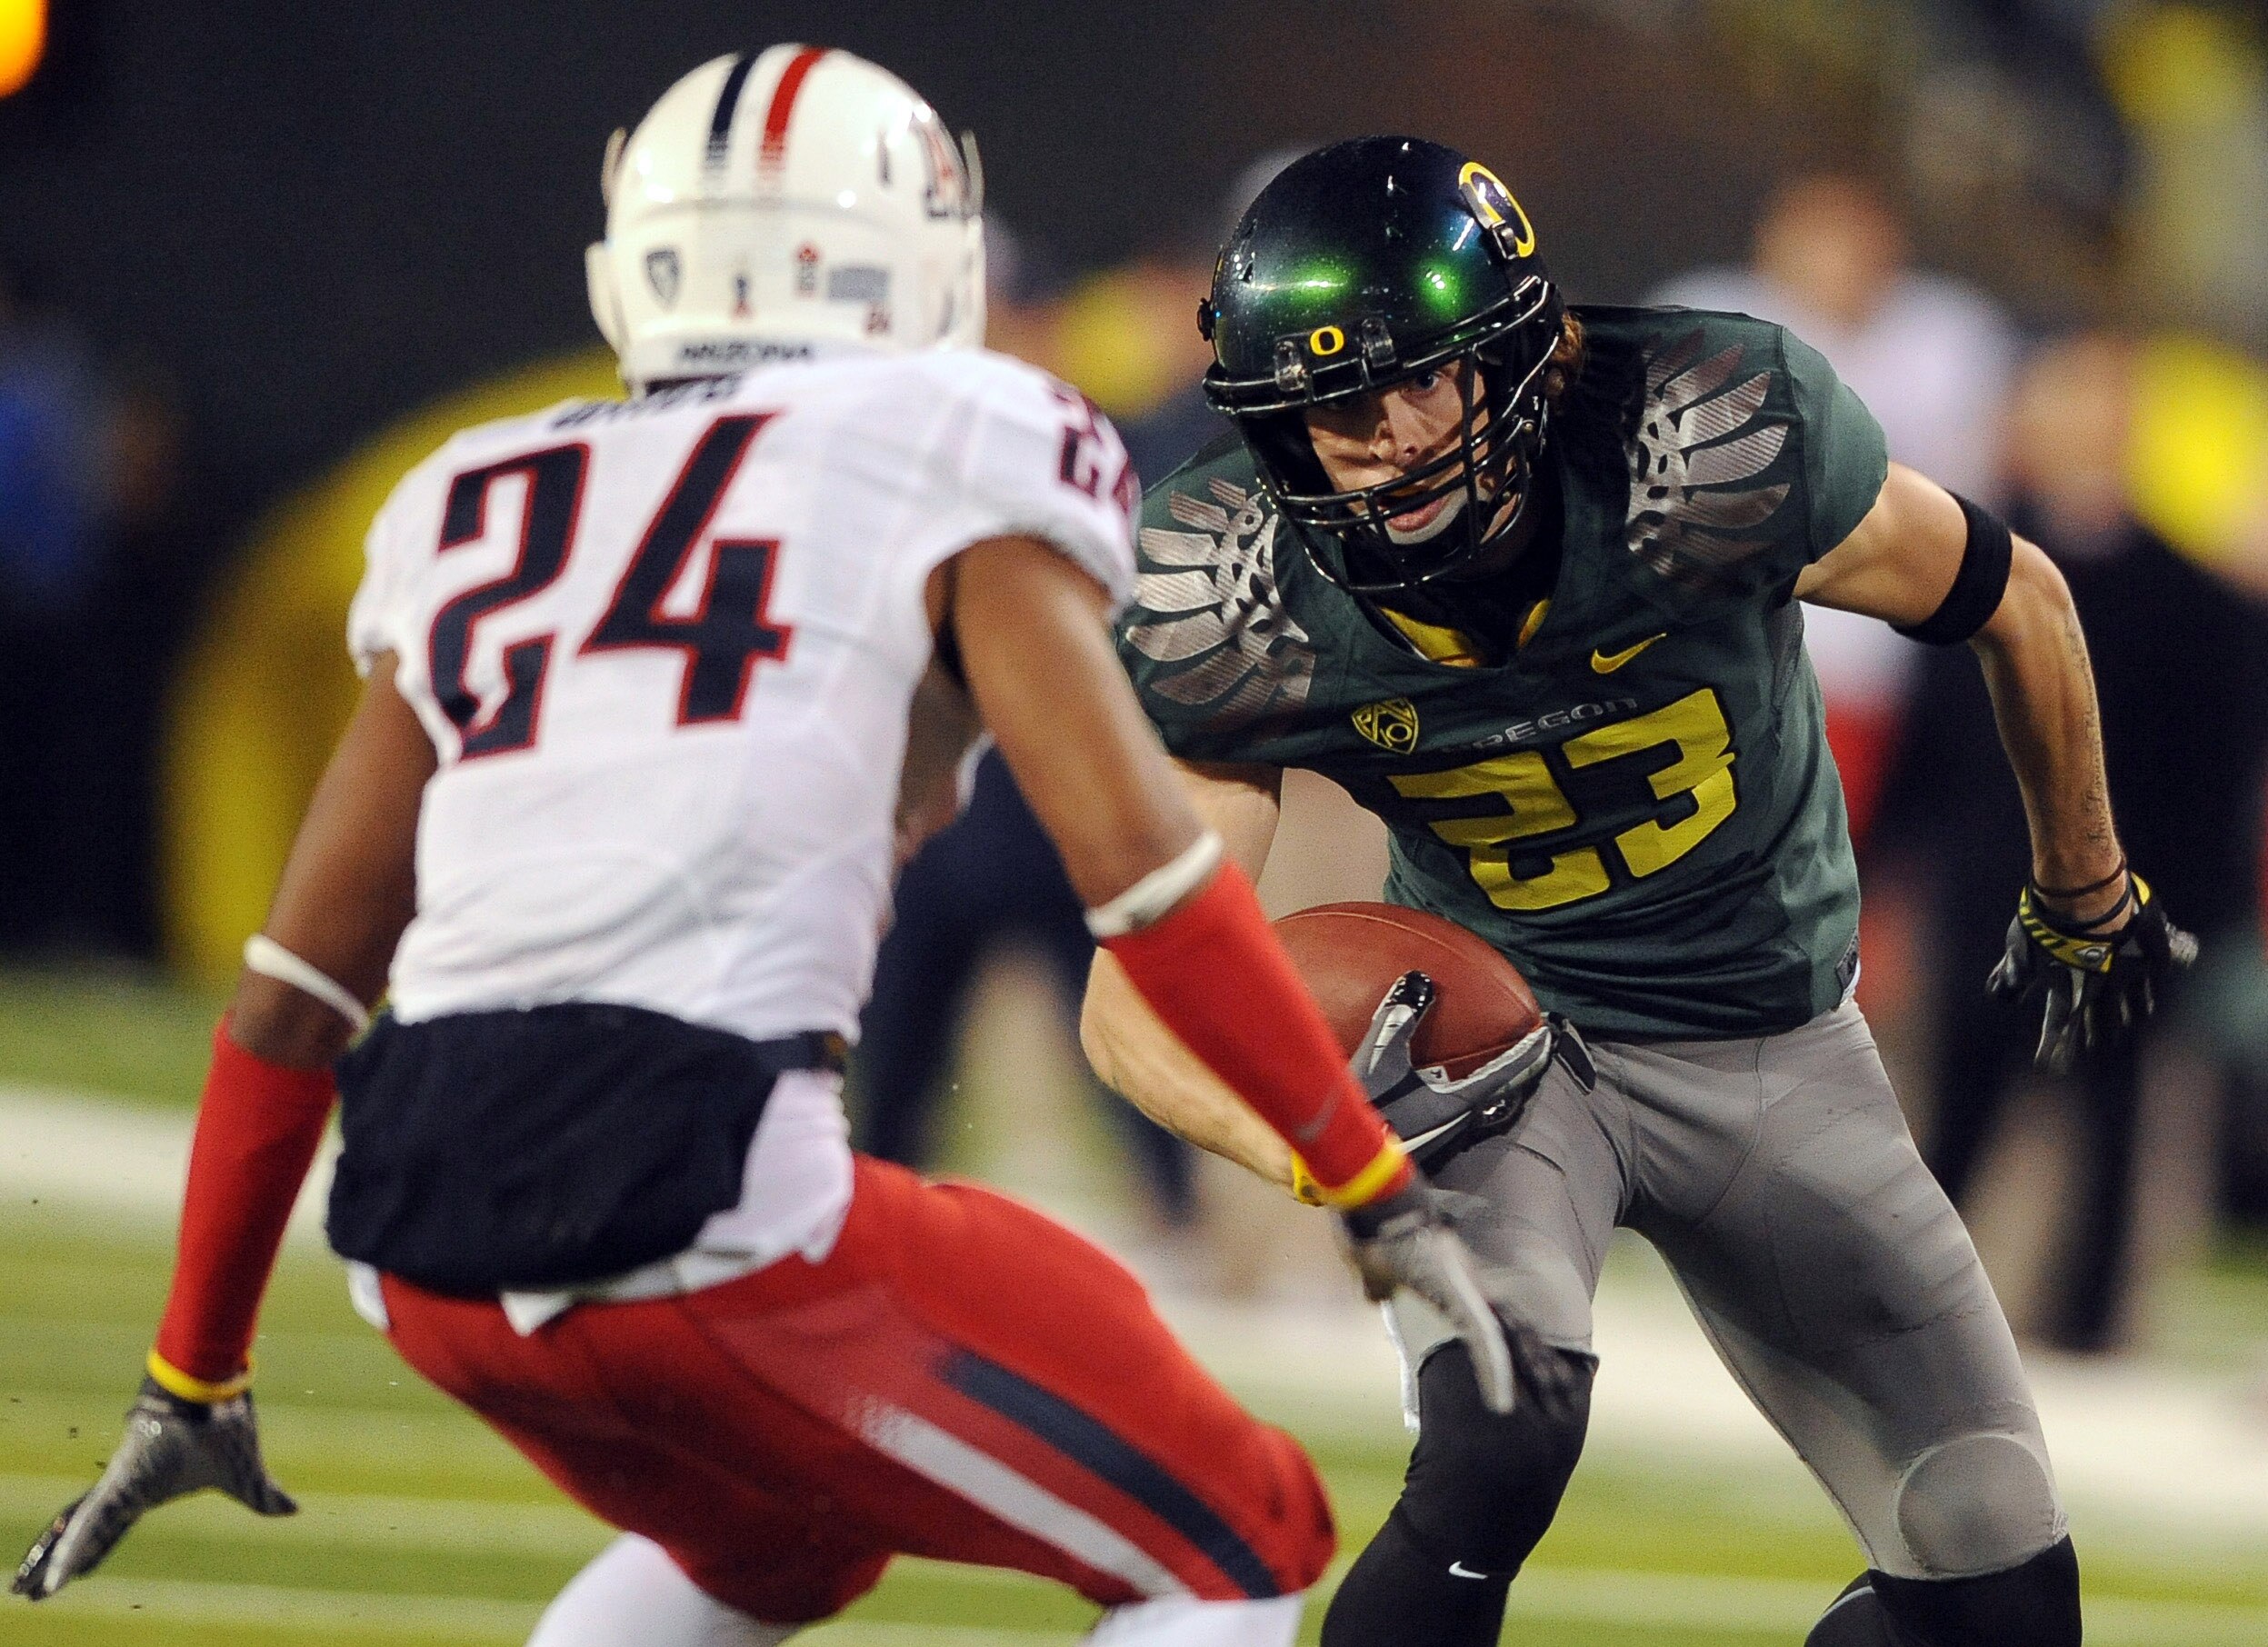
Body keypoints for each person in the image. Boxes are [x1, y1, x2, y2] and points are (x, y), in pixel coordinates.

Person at [11, 58, 1540, 1647]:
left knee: (777, 1544)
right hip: (701, 1189)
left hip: (413, 1234)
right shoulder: (962, 435)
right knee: (1246, 1530)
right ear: (916, 254)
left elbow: (293, 991)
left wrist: (194, 1365)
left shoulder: (479, 494)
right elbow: (1147, 882)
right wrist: (1370, 1185)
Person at [1080, 138, 2195, 1647]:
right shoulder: (1240, 588)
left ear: (1513, 360)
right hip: (1506, 1064)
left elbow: (2019, 598)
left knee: (1995, 1581)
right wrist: (1325, 1150)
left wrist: (2085, 884)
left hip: (1774, 1043)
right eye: (1338, 407)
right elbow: (1130, 998)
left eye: (1424, 383)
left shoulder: (1701, 443)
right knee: (1499, 1432)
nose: (1389, 441)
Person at [1887, 331, 2268, 1351]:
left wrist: (2191, 918)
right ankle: (1906, 1328)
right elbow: (1928, 751)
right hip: (1982, 899)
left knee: (2110, 1133)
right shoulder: (1958, 571)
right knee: (1950, 1127)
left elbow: (2216, 780)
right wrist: (1883, 877)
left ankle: (2085, 1339)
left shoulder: (2200, 604)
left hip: (2124, 909)